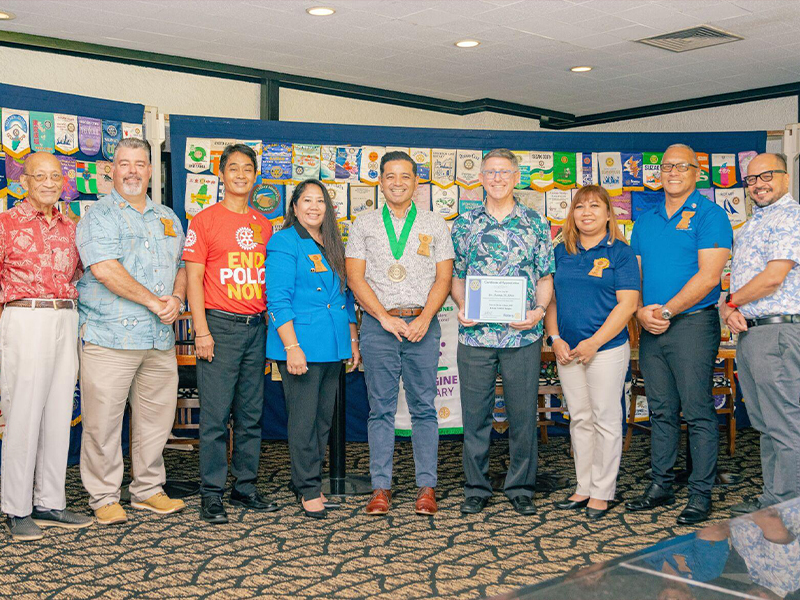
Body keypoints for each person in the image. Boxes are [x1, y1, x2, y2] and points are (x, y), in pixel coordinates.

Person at [77, 138, 187, 525]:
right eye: (124, 163)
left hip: (158, 340)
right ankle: (104, 495)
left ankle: (147, 490)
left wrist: (175, 296)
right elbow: (105, 269)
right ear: (112, 169)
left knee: (156, 420)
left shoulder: (168, 217)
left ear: (150, 171)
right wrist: (155, 302)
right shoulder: (98, 216)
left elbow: (183, 266)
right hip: (110, 338)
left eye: (140, 164)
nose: (132, 171)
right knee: (102, 422)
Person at [625, 144, 732, 525]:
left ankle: (701, 494)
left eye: (680, 166)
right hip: (651, 327)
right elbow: (633, 276)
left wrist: (667, 310)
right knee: (661, 411)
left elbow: (708, 278)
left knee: (698, 410)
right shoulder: (646, 220)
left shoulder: (711, 215)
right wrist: (639, 311)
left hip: (692, 325)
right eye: (666, 165)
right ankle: (661, 485)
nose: (672, 172)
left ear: (696, 172)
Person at [346, 151, 454, 516]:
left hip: (423, 324)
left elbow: (444, 278)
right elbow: (355, 277)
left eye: (405, 176)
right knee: (381, 409)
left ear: (416, 182)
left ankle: (427, 487)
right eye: (390, 176)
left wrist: (425, 316)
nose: (397, 182)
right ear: (380, 181)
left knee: (425, 408)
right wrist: (382, 317)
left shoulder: (436, 223)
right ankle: (381, 488)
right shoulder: (363, 223)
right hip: (379, 326)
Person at [451, 148, 555, 516]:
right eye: (490, 172)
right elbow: (457, 275)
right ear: (480, 178)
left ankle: (521, 486)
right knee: (475, 415)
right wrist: (462, 307)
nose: (497, 178)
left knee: (523, 414)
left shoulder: (535, 223)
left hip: (521, 336)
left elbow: (545, 277)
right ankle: (476, 487)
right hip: (476, 338)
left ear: (516, 177)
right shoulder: (464, 224)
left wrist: (538, 312)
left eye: (504, 172)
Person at [184, 143, 278, 524]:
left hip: (256, 328)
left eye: (247, 169)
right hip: (218, 327)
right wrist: (201, 331)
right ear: (221, 175)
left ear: (256, 177)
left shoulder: (264, 224)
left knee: (251, 414)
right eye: (233, 168)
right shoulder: (203, 221)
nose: (241, 175)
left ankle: (245, 486)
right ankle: (211, 492)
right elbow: (193, 280)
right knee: (215, 416)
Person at [0, 152, 92, 541]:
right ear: (24, 182)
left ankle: (50, 501)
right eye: (41, 176)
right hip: (25, 317)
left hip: (65, 316)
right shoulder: (6, 223)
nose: (51, 182)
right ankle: (15, 508)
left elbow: (81, 274)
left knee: (58, 410)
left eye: (57, 176)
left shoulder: (71, 227)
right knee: (23, 413)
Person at [266, 180, 361, 519]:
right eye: (306, 201)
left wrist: (352, 341)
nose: (314, 207)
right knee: (304, 422)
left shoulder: (333, 242)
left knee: (322, 421)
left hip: (333, 345)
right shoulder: (284, 241)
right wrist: (291, 347)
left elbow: (346, 297)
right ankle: (307, 488)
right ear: (293, 207)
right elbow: (277, 298)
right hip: (301, 345)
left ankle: (310, 482)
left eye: (320, 201)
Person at [544, 185, 639, 520]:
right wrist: (555, 338)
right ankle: (584, 486)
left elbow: (627, 305)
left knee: (606, 419)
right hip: (567, 351)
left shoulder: (621, 253)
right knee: (580, 419)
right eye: (580, 207)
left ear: (609, 213)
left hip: (606, 349)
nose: (586, 213)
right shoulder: (561, 252)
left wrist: (595, 342)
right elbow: (551, 299)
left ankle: (603, 491)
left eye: (595, 206)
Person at [720, 153, 800, 514]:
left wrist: (733, 302)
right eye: (750, 180)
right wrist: (729, 307)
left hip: (779, 333)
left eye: (766, 176)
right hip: (753, 335)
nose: (757, 184)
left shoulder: (791, 217)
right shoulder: (754, 223)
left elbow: (772, 278)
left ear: (785, 177)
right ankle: (775, 498)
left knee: (785, 424)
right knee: (768, 425)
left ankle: (788, 506)